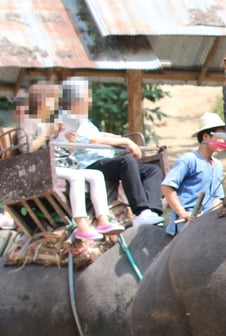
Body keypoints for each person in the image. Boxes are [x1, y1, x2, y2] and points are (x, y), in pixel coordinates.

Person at [57, 78, 165, 227]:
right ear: (76, 100)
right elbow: (94, 139)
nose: (89, 100)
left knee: (152, 170)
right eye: (86, 97)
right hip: (88, 165)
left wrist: (120, 138)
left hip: (103, 162)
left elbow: (100, 133)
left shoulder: (83, 120)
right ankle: (140, 211)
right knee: (126, 162)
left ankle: (153, 212)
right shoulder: (68, 118)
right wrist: (126, 142)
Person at [23, 82, 124, 241]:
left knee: (96, 175)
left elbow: (59, 151)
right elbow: (27, 150)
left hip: (56, 164)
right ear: (42, 101)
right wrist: (47, 133)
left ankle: (103, 220)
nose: (55, 105)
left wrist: (70, 143)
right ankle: (81, 224)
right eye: (52, 100)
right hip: (40, 169)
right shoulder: (29, 121)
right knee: (76, 176)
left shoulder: (47, 124)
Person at [161, 113, 226, 236]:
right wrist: (183, 213)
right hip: (187, 222)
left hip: (208, 221)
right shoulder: (189, 160)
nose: (223, 141)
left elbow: (217, 197)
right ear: (206, 136)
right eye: (220, 137)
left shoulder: (218, 165)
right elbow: (166, 186)